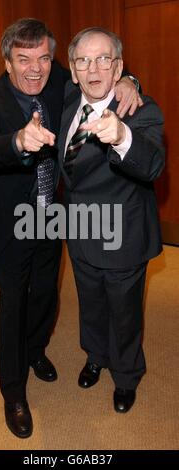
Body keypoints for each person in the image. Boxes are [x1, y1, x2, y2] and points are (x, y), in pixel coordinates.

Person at [0, 18, 142, 438]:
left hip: (51, 216)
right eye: (23, 59)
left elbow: (95, 71)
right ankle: (13, 392)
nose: (35, 69)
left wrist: (130, 79)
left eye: (43, 58)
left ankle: (37, 351)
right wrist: (17, 142)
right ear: (7, 62)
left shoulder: (57, 79)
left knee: (46, 293)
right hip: (11, 225)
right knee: (14, 304)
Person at [58, 27, 165, 413]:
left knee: (124, 313)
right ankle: (96, 356)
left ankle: (126, 375)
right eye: (83, 60)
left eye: (104, 59)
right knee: (90, 304)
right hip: (80, 231)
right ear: (72, 70)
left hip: (123, 237)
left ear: (118, 66)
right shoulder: (69, 99)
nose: (93, 68)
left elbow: (152, 163)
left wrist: (121, 135)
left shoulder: (140, 110)